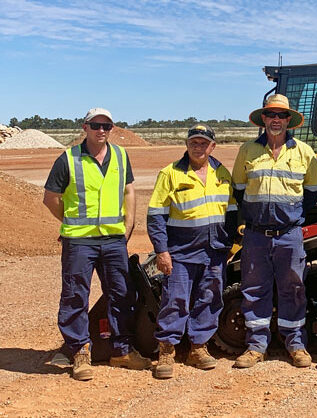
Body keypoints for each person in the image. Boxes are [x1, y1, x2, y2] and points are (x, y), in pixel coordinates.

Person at [42, 107, 151, 381]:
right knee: (75, 295)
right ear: (85, 127)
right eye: (96, 125)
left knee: (122, 293)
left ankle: (121, 351)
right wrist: (70, 221)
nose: (101, 130)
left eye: (106, 126)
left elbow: (128, 189)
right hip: (80, 241)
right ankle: (79, 351)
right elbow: (51, 197)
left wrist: (129, 224)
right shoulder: (68, 159)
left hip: (114, 239)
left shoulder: (120, 156)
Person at [231, 94, 317, 369]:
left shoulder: (304, 152)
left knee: (293, 288)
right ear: (263, 119)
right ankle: (256, 346)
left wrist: (289, 216)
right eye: (271, 115)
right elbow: (238, 190)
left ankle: (295, 344)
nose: (276, 120)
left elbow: (312, 193)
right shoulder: (247, 150)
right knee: (254, 289)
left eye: (281, 116)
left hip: (290, 235)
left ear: (288, 121)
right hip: (257, 234)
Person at [146, 124, 237, 379]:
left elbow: (231, 212)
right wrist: (162, 251)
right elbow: (156, 216)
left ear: (212, 146)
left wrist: (228, 243)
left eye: (203, 143)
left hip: (214, 250)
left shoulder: (222, 173)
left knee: (209, 298)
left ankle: (198, 347)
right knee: (175, 299)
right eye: (194, 142)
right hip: (181, 251)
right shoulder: (170, 174)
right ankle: (167, 349)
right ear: (187, 145)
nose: (198, 147)